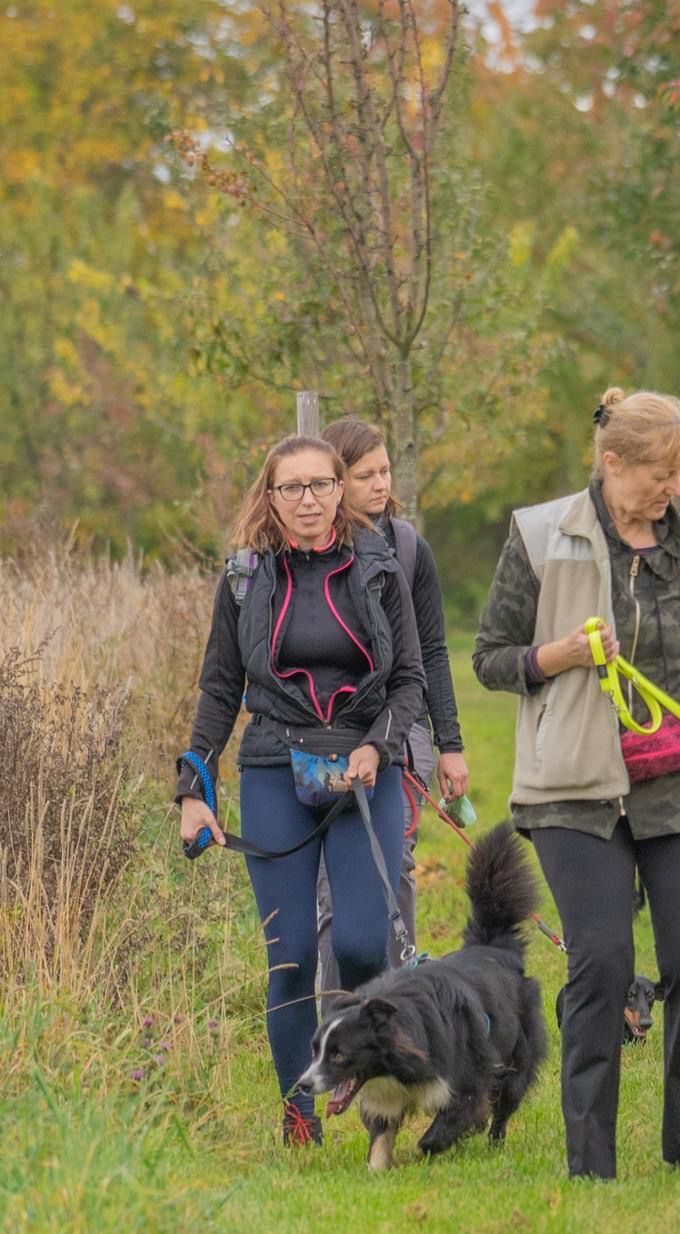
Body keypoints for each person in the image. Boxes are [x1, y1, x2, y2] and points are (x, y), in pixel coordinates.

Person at [472, 387, 680, 1178]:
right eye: (661, 472)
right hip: (577, 788)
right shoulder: (541, 535)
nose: (675, 488)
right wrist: (561, 657)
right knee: (603, 963)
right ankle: (592, 1160)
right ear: (612, 462)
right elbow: (490, 657)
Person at [174, 435, 424, 1146]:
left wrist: (380, 743)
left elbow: (409, 678)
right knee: (288, 958)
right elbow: (221, 686)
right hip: (273, 768)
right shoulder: (246, 577)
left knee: (364, 945)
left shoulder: (379, 567)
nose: (309, 500)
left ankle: (378, 1096)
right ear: (271, 496)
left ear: (341, 490)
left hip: (363, 771)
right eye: (293, 488)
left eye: (321, 485)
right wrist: (195, 788)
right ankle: (298, 1115)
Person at [315, 417, 471, 990]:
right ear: (335, 480)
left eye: (384, 471)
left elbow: (433, 650)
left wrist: (449, 744)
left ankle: (399, 1005)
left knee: (396, 869)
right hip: (329, 739)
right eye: (365, 475)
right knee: (335, 885)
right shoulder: (312, 552)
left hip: (406, 739)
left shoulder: (409, 547)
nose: (380, 484)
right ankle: (338, 1021)